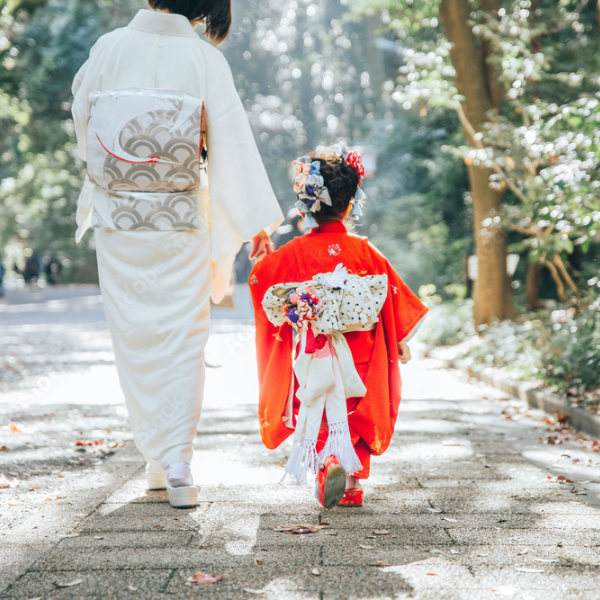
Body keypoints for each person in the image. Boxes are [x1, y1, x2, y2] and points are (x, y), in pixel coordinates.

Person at [71, 1, 283, 508]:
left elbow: (85, 121)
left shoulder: (108, 48)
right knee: (183, 336)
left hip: (120, 216)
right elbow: (231, 141)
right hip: (182, 213)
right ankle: (178, 462)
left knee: (135, 335)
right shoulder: (205, 59)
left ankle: (155, 459)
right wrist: (252, 222)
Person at [249, 145, 427, 508]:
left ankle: (327, 464)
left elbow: (261, 282)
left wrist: (266, 256)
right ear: (350, 204)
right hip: (360, 352)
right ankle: (352, 486)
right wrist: (398, 341)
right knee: (355, 408)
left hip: (314, 353)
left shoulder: (293, 253)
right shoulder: (365, 251)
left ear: (306, 204)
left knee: (317, 405)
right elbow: (393, 296)